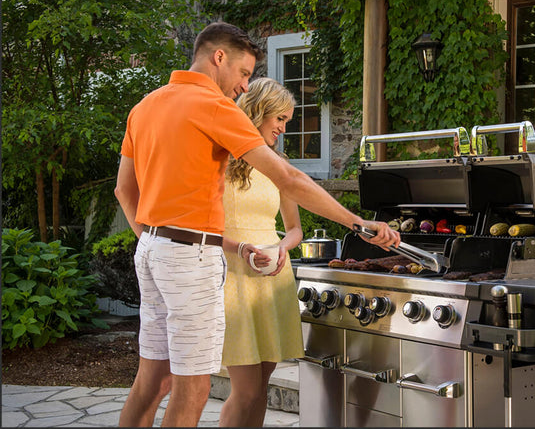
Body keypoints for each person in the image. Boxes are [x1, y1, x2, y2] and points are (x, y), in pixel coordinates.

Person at [114, 22, 400, 427]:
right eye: (244, 73)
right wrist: (356, 222)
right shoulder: (214, 106)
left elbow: (124, 192)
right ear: (218, 58)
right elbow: (289, 179)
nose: (245, 86)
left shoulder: (144, 106)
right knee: (192, 388)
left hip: (152, 251)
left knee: (153, 380)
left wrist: (155, 241)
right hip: (191, 257)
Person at [217, 77, 303, 427]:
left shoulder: (277, 165)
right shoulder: (219, 160)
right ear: (258, 112)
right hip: (233, 278)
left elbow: (295, 228)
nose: (283, 128)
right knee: (246, 391)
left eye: (286, 121)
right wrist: (239, 247)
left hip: (273, 277)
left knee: (262, 389)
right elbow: (204, 228)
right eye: (279, 119)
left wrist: (283, 246)